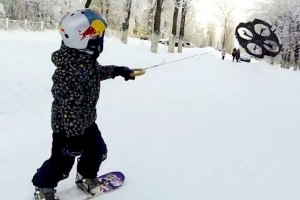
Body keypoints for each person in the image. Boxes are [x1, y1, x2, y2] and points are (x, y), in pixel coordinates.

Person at [32, 8, 136, 200]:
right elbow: (68, 107)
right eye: (96, 34)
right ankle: (43, 185)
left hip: (86, 122)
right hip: (66, 129)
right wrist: (73, 138)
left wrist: (117, 71)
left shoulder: (84, 60)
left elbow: (95, 73)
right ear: (80, 37)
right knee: (62, 164)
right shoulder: (68, 70)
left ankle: (86, 176)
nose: (100, 39)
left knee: (98, 151)